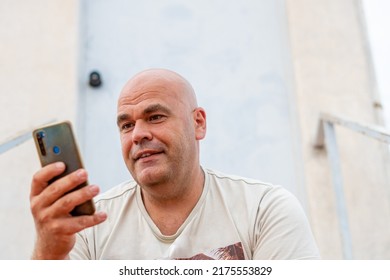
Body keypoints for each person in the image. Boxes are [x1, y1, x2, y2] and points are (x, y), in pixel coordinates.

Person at [30, 68, 320, 260]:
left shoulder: (264, 211)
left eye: (155, 117)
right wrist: (48, 251)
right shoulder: (87, 228)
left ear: (198, 123)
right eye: (126, 125)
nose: (138, 134)